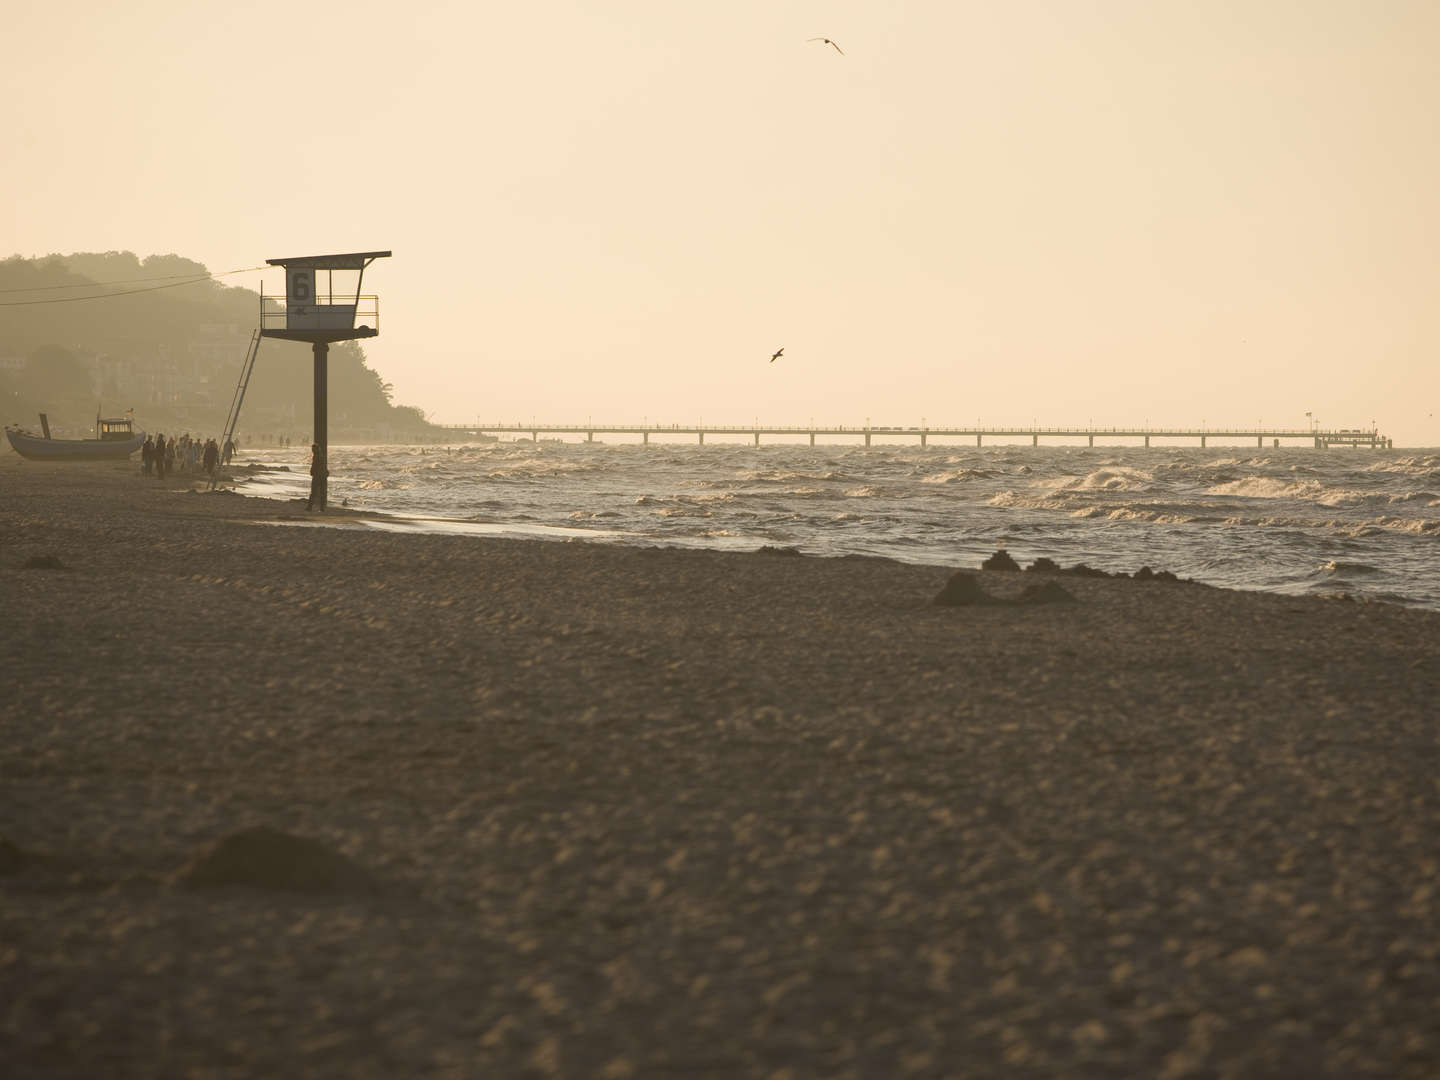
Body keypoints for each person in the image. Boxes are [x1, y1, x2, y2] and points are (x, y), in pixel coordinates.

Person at [306, 443, 327, 511]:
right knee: (322, 492)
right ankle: (322, 507)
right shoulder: (321, 456)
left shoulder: (316, 456)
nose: (312, 450)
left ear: (316, 449)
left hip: (317, 476)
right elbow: (324, 466)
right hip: (322, 476)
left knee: (314, 492)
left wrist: (312, 471)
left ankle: (310, 507)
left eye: (313, 449)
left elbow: (315, 465)